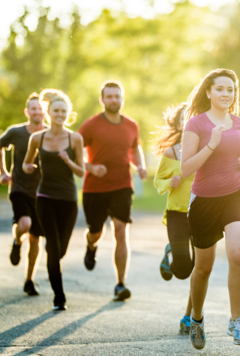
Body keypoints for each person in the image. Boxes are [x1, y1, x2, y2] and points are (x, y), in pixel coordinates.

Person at [180, 69, 240, 349]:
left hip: (236, 193)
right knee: (203, 268)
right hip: (204, 200)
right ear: (208, 92)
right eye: (220, 89)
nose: (226, 94)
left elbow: (236, 158)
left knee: (237, 254)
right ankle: (196, 318)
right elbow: (186, 168)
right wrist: (211, 143)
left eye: (231, 90)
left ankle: (236, 320)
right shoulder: (195, 125)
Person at [78, 80, 147, 302]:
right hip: (94, 188)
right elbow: (74, 153)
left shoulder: (131, 125)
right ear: (102, 100)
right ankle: (91, 244)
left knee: (120, 230)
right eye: (109, 96)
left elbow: (135, 149)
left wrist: (141, 165)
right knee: (96, 231)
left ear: (122, 98)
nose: (114, 100)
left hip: (122, 186)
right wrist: (90, 167)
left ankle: (120, 283)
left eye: (117, 96)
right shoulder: (90, 126)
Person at [23, 89, 84, 311]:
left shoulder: (74, 138)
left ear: (68, 114)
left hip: (68, 200)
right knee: (53, 250)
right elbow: (26, 163)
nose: (60, 114)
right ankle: (59, 297)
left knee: (60, 250)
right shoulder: (37, 138)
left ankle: (54, 254)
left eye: (63, 111)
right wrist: (28, 167)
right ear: (48, 112)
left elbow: (81, 172)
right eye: (56, 110)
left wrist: (68, 160)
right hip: (45, 198)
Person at [152, 103, 195, 334]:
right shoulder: (172, 153)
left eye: (193, 118)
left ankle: (190, 316)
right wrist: (170, 183)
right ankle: (171, 253)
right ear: (178, 125)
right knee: (182, 271)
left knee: (200, 268)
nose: (188, 122)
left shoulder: (208, 150)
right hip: (178, 214)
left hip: (203, 213)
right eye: (184, 119)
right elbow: (158, 181)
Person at [0, 93, 46, 296]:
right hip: (19, 188)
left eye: (40, 108)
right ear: (28, 112)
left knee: (36, 239)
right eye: (33, 109)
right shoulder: (16, 132)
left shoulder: (50, 133)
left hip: (43, 192)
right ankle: (18, 240)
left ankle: (29, 279)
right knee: (25, 224)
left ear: (45, 111)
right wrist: (2, 172)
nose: (37, 112)